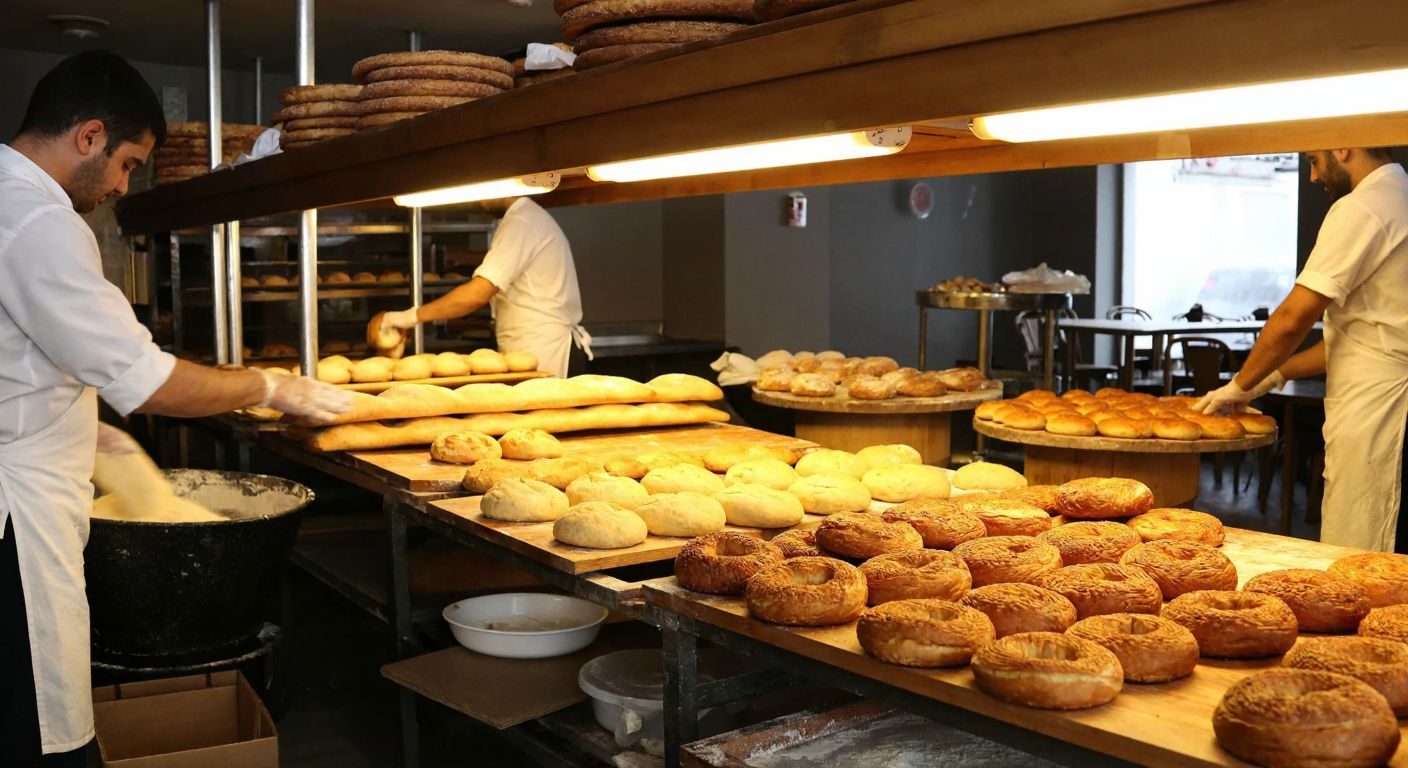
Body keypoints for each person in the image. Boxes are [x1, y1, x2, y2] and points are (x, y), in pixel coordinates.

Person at [0, 51, 351, 766]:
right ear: (89, 135)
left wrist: (82, 425)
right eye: (129, 163)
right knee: (40, 734)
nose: (124, 185)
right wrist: (271, 386)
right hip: (17, 528)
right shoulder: (39, 220)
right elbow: (151, 381)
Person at [1195, 147, 1408, 552]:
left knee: (1364, 553)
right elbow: (1363, 339)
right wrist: (1275, 376)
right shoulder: (1400, 195)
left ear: (1342, 148)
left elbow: (1293, 317)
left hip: (1381, 412)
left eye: (1313, 159)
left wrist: (1239, 384)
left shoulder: (1362, 207)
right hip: (1382, 395)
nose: (1312, 176)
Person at [369, 195, 591, 377]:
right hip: (531, 346)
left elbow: (477, 294)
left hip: (545, 350)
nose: (479, 200)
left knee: (543, 427)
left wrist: (407, 318)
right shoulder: (524, 219)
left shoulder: (522, 223)